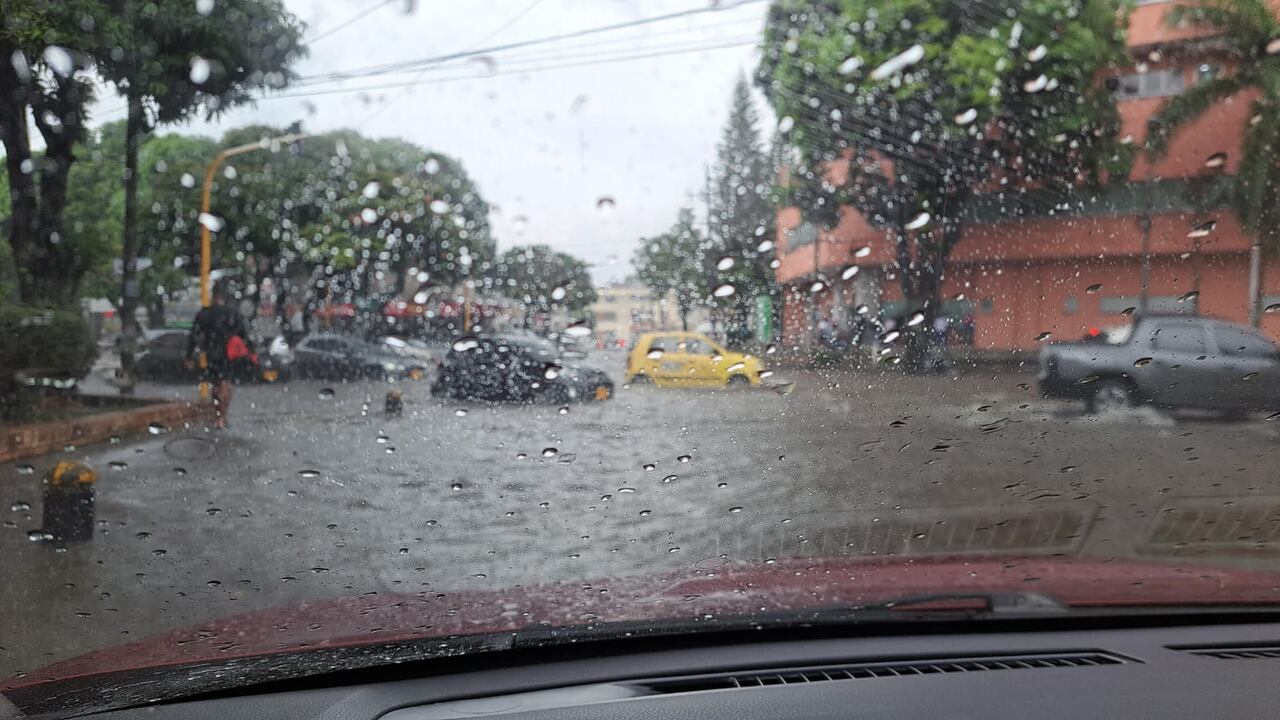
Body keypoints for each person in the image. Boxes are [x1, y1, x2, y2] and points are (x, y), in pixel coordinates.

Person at [188, 284, 254, 429]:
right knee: (225, 383)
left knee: (216, 385)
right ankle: (222, 415)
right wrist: (250, 352)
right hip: (229, 355)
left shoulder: (206, 313)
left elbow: (194, 334)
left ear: (213, 296)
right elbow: (244, 335)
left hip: (211, 353)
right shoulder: (233, 313)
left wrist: (189, 355)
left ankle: (218, 415)